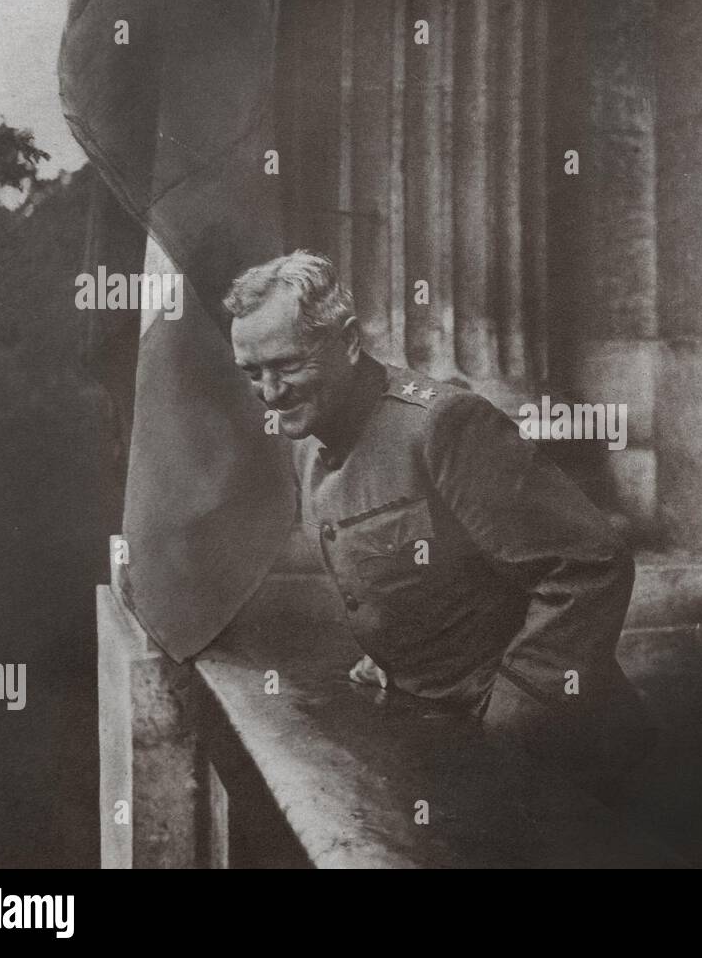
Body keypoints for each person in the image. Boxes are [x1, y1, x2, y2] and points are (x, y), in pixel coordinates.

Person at [225, 250, 655, 802]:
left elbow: (590, 564)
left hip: (562, 754)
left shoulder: (443, 425)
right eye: (252, 373)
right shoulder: (309, 447)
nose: (269, 391)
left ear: (348, 342)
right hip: (448, 746)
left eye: (286, 365)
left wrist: (507, 719)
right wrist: (395, 659)